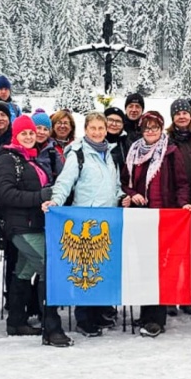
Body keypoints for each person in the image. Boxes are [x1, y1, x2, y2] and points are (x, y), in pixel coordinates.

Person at [44, 111, 126, 337]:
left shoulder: (110, 154)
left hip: (107, 219)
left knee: (102, 268)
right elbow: (65, 182)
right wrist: (56, 201)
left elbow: (115, 185)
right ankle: (84, 318)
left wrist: (121, 196)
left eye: (101, 128)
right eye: (93, 128)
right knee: (85, 268)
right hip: (85, 219)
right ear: (86, 130)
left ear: (106, 130)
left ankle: (99, 312)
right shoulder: (78, 154)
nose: (97, 133)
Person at [0, 115, 73, 346]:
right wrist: (40, 196)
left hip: (34, 223)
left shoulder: (29, 157)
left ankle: (16, 321)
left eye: (31, 132)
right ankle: (52, 328)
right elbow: (5, 194)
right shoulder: (8, 158)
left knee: (24, 270)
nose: (29, 136)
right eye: (24, 133)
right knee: (50, 268)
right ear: (15, 135)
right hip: (21, 226)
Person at [119, 111, 191, 337]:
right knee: (144, 265)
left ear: (161, 129)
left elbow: (181, 183)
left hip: (164, 218)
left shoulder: (170, 152)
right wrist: (132, 194)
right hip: (141, 217)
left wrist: (183, 204)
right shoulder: (134, 152)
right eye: (147, 128)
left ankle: (156, 319)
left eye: (155, 127)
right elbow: (125, 182)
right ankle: (146, 313)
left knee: (160, 267)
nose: (151, 131)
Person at [168, 98, 191, 315]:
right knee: (173, 253)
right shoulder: (167, 140)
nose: (182, 116)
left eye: (185, 113)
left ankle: (187, 295)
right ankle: (170, 296)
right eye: (178, 113)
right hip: (174, 205)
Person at [32, 110, 64, 182]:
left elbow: (62, 176)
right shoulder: (23, 150)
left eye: (45, 129)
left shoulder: (53, 152)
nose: (42, 132)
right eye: (38, 128)